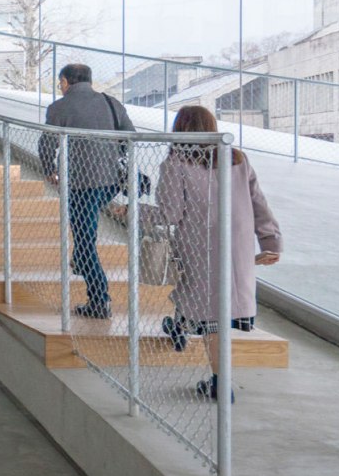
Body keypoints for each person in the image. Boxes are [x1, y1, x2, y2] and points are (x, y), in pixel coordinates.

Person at [118, 105, 280, 402]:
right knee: (209, 299)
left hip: (199, 244)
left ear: (179, 130)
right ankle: (178, 326)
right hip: (237, 244)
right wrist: (271, 242)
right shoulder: (236, 158)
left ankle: (221, 383)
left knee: (210, 313)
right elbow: (259, 203)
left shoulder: (176, 163)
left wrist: (131, 210)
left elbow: (169, 213)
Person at [38, 63, 132, 318]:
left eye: (60, 82)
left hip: (80, 185)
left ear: (66, 81)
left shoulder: (59, 108)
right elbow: (130, 137)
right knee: (84, 233)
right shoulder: (112, 103)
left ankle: (99, 299)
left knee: (84, 240)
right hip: (110, 182)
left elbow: (47, 144)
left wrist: (49, 170)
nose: (60, 86)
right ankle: (80, 259)